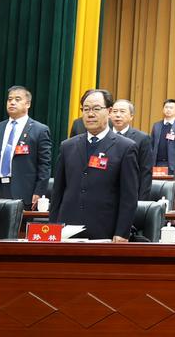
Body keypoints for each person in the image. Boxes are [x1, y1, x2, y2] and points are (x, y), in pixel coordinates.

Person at [49, 88, 138, 242]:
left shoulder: (125, 147)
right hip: (67, 229)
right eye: (86, 109)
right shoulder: (67, 146)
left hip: (105, 230)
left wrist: (122, 232)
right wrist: (52, 228)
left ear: (109, 111)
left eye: (96, 109)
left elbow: (129, 197)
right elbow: (58, 192)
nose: (90, 114)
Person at [0, 85, 52, 210]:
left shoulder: (40, 130)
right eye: (10, 99)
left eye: (17, 99)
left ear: (28, 104)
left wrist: (39, 192)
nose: (12, 102)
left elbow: (44, 165)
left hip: (24, 191)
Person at [108, 99, 155, 200]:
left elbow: (146, 173)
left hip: (130, 196)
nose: (118, 115)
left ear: (131, 116)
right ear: (109, 114)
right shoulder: (104, 136)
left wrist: (141, 201)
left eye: (122, 111)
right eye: (115, 111)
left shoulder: (142, 138)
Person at [150, 98, 175, 181]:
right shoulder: (156, 125)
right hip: (157, 164)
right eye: (166, 107)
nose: (168, 110)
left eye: (171, 108)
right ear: (163, 109)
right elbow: (151, 145)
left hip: (172, 164)